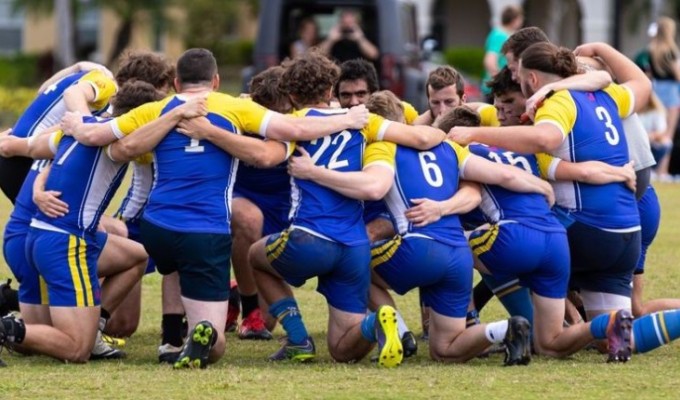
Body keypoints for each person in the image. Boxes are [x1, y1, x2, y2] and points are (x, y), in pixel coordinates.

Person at [57, 48, 372, 369]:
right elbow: (291, 133)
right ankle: (205, 331)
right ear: (217, 80)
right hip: (207, 231)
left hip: (156, 226)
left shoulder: (156, 108)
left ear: (177, 83)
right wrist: (347, 117)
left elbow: (105, 140)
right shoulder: (235, 108)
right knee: (215, 340)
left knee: (172, 266)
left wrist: (76, 122)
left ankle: (170, 340)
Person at [0, 80, 193, 364]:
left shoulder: (82, 127)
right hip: (65, 243)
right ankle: (6, 327)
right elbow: (132, 144)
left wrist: (38, 188)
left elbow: (43, 156)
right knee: (77, 349)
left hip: (44, 236)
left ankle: (95, 325)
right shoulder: (114, 141)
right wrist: (174, 115)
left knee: (138, 254)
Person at [0, 62, 114, 204]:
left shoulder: (84, 76)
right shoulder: (108, 84)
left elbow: (42, 91)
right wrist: (86, 124)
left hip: (17, 156)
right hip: (23, 159)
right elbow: (71, 94)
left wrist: (75, 67)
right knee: (58, 218)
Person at [646, 17, 680, 180]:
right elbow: (678, 74)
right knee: (668, 133)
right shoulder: (671, 51)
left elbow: (650, 74)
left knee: (656, 130)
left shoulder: (652, 50)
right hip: (672, 92)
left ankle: (652, 167)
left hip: (657, 90)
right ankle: (663, 170)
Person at [481, 5, 524, 102]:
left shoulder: (505, 34)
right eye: (520, 18)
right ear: (514, 19)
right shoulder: (499, 35)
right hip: (496, 91)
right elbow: (489, 61)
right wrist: (501, 83)